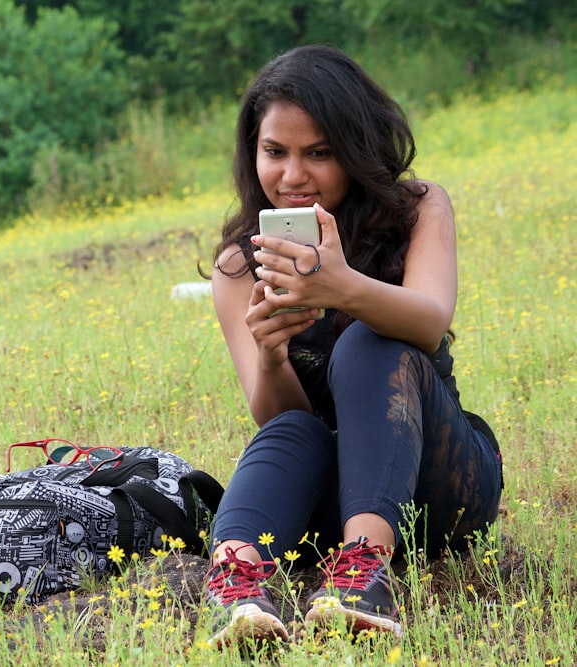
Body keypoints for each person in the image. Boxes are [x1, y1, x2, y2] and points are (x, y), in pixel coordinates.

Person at [203, 45, 503, 647]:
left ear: (357, 147)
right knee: (291, 432)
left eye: (320, 153)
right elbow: (280, 416)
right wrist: (270, 354)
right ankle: (234, 589)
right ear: (252, 152)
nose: (292, 176)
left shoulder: (418, 210)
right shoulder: (240, 267)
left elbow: (428, 320)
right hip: (330, 495)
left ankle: (363, 576)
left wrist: (344, 287)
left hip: (438, 484)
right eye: (275, 152)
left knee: (371, 342)